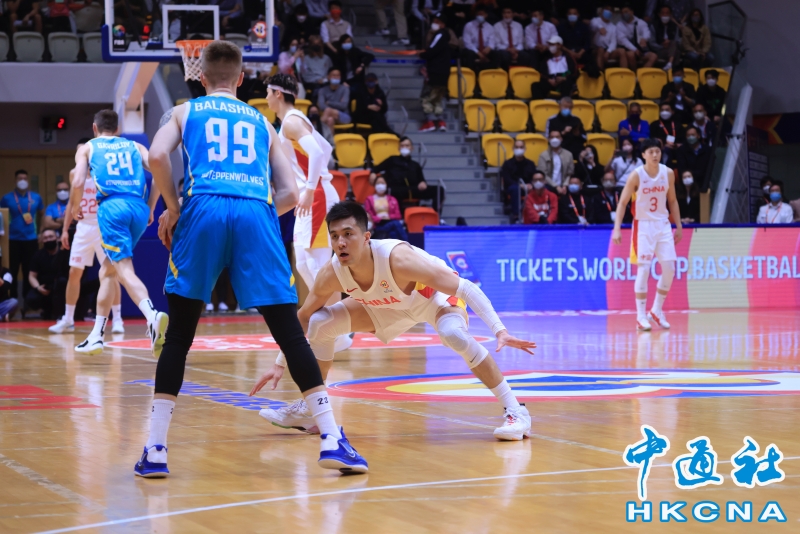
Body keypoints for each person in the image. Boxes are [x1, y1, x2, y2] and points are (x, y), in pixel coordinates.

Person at [147, 41, 367, 477]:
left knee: (179, 338)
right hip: (255, 211)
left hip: (203, 207)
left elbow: (156, 157)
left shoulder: (184, 111)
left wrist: (173, 208)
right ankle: (331, 439)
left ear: (201, 77)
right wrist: (259, 216)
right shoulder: (262, 122)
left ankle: (155, 450)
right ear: (242, 79)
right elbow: (289, 192)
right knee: (291, 334)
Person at [253, 201, 537, 441]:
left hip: (432, 300)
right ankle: (312, 408)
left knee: (454, 335)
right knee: (320, 322)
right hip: (387, 307)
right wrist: (279, 363)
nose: (341, 243)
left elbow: (466, 288)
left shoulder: (398, 259)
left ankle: (516, 411)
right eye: (335, 236)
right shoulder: (332, 272)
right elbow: (302, 317)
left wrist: (499, 330)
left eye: (348, 234)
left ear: (366, 237)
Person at [266, 72, 354, 356]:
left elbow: (317, 153)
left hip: (316, 197)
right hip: (313, 195)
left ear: (277, 94)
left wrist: (309, 187)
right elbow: (326, 147)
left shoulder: (292, 121)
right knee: (305, 263)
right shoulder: (295, 121)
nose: (266, 98)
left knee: (317, 264)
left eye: (267, 92)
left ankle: (339, 331)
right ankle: (337, 328)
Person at [71, 110, 165, 356]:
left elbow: (78, 181)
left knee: (123, 270)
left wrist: (75, 207)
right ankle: (96, 335)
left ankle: (152, 316)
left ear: (94, 128)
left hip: (112, 208)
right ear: (118, 129)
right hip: (138, 209)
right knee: (107, 271)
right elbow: (159, 169)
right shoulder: (135, 146)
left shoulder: (88, 147)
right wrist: (151, 207)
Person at [49, 138, 125, 335]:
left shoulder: (104, 172)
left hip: (102, 227)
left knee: (112, 273)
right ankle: (68, 319)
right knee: (74, 273)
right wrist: (65, 230)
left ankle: (117, 319)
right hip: (83, 228)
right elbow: (71, 204)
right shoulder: (74, 173)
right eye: (78, 151)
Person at [612, 137, 682, 331]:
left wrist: (678, 225)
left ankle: (656, 310)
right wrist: (617, 228)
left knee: (669, 268)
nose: (655, 155)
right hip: (643, 225)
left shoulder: (668, 173)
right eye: (650, 152)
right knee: (643, 269)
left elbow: (673, 201)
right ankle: (640, 316)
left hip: (663, 224)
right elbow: (622, 203)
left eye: (657, 151)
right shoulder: (636, 175)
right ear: (643, 155)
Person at [1, 170, 44, 303]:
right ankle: (12, 300)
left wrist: (41, 231)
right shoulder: (7, 198)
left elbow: (42, 214)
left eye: (25, 178)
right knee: (12, 271)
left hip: (31, 240)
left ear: (28, 180)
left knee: (29, 270)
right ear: (15, 180)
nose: (23, 181)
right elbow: (2, 215)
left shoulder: (36, 197)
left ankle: (28, 301)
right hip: (12, 240)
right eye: (20, 178)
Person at [369, 136, 443, 213]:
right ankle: (398, 217)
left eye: (407, 145)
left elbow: (422, 180)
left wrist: (423, 183)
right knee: (393, 192)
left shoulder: (415, 165)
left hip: (413, 189)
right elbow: (376, 168)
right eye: (402, 146)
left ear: (412, 148)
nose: (405, 148)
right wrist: (373, 173)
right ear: (399, 148)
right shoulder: (392, 160)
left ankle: (435, 214)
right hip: (396, 189)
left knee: (439, 190)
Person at [418, 12, 451, 133]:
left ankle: (429, 123)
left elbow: (431, 51)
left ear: (443, 25)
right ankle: (441, 122)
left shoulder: (440, 34)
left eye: (437, 22)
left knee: (426, 97)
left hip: (435, 72)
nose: (434, 24)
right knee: (437, 98)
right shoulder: (445, 37)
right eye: (434, 21)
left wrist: (422, 54)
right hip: (444, 72)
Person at [25, 229, 67, 320]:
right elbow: (32, 276)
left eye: (51, 237)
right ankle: (47, 310)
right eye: (45, 238)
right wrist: (38, 287)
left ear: (57, 238)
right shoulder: (38, 255)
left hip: (61, 288)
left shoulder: (64, 253)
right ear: (42, 241)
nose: (48, 240)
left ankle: (63, 313)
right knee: (31, 298)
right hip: (44, 288)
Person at [500, 139, 536, 222]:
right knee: (515, 189)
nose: (519, 149)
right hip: (514, 187)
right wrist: (520, 185)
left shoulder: (530, 163)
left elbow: (534, 176)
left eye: (521, 147)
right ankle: (516, 215)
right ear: (513, 148)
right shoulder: (507, 164)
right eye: (517, 147)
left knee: (540, 187)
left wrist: (531, 184)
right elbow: (507, 179)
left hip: (528, 187)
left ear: (525, 149)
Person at [530, 35, 577, 100]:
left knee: (567, 84)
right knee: (535, 85)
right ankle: (540, 104)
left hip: (564, 81)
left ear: (559, 45)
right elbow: (542, 73)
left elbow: (575, 73)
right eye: (549, 45)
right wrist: (548, 80)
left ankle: (564, 103)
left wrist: (564, 78)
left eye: (552, 45)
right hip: (551, 81)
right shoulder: (546, 59)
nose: (550, 46)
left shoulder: (568, 58)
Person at [616, 3, 656, 68]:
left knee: (653, 56)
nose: (624, 14)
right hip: (628, 49)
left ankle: (642, 73)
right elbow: (623, 40)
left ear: (632, 12)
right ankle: (634, 72)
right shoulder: (619, 25)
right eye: (622, 13)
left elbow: (646, 32)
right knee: (630, 55)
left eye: (626, 12)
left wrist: (644, 39)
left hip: (641, 49)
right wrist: (634, 49)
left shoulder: (640, 22)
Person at [460, 6, 498, 73]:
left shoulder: (490, 27)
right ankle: (472, 73)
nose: (480, 16)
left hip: (485, 50)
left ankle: (486, 72)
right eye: (478, 14)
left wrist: (489, 48)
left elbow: (492, 42)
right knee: (468, 54)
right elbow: (467, 43)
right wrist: (478, 52)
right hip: (473, 50)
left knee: (496, 54)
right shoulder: (468, 26)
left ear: (486, 15)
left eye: (482, 14)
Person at [591, 5, 626, 69]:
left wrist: (608, 52)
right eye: (606, 9)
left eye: (610, 11)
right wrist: (600, 27)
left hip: (607, 50)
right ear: (602, 11)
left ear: (613, 14)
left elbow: (613, 42)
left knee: (622, 51)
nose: (608, 12)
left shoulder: (613, 27)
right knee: (600, 50)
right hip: (596, 49)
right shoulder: (595, 20)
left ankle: (624, 73)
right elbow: (593, 24)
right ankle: (600, 72)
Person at [647, 5, 679, 71]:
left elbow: (678, 41)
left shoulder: (674, 26)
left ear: (670, 15)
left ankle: (669, 66)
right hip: (659, 51)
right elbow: (651, 43)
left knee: (674, 45)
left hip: (671, 49)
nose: (665, 15)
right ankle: (674, 71)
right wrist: (662, 46)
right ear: (659, 14)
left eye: (667, 13)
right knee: (676, 52)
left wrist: (669, 43)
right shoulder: (654, 25)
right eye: (663, 13)